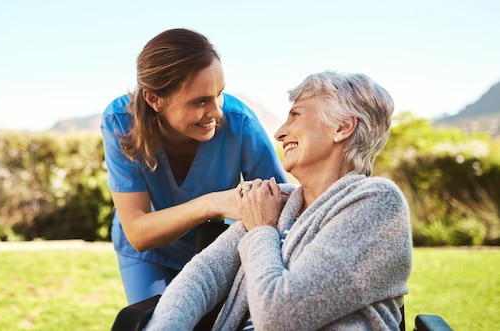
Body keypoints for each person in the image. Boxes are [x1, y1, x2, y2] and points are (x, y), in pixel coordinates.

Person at [144, 71, 413, 330]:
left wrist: (262, 228)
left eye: (295, 115)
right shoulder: (283, 201)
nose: (279, 133)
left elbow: (281, 319)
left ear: (342, 127)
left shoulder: (377, 204)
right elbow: (204, 275)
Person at [100, 28, 288, 305]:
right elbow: (138, 231)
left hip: (215, 249)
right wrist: (211, 204)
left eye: (219, 94)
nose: (216, 112)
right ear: (154, 99)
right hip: (147, 255)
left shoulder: (241, 122)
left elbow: (279, 203)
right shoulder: (119, 123)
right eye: (200, 101)